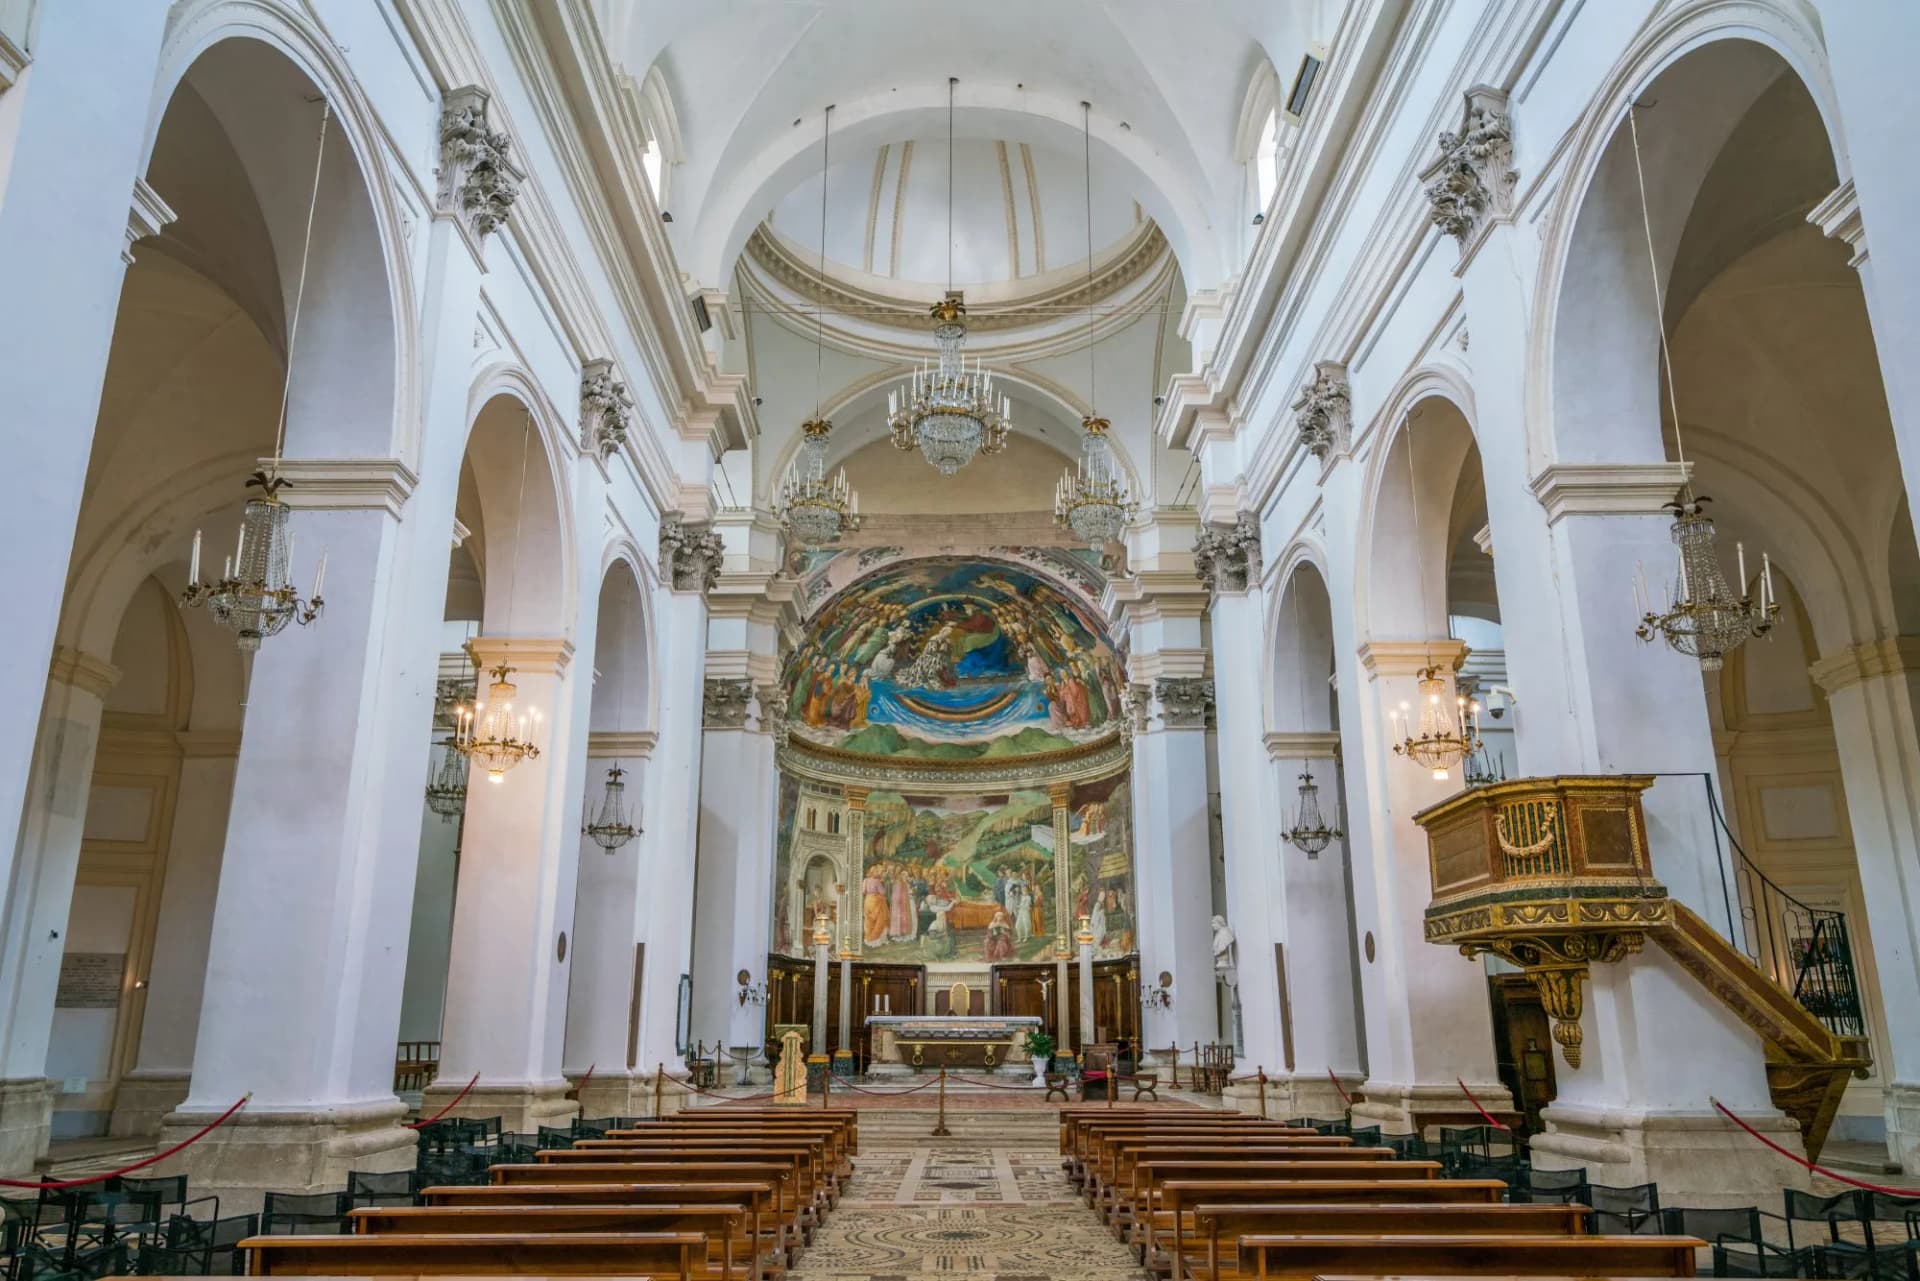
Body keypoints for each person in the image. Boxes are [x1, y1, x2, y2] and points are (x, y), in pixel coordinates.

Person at [862, 866, 889, 948]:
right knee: (879, 920)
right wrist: (882, 884)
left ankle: (869, 940)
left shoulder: (865, 880)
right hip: (876, 901)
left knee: (869, 921)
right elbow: (883, 892)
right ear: (873, 873)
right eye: (876, 872)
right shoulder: (877, 881)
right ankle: (876, 941)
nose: (878, 873)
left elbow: (863, 892)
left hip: (867, 901)